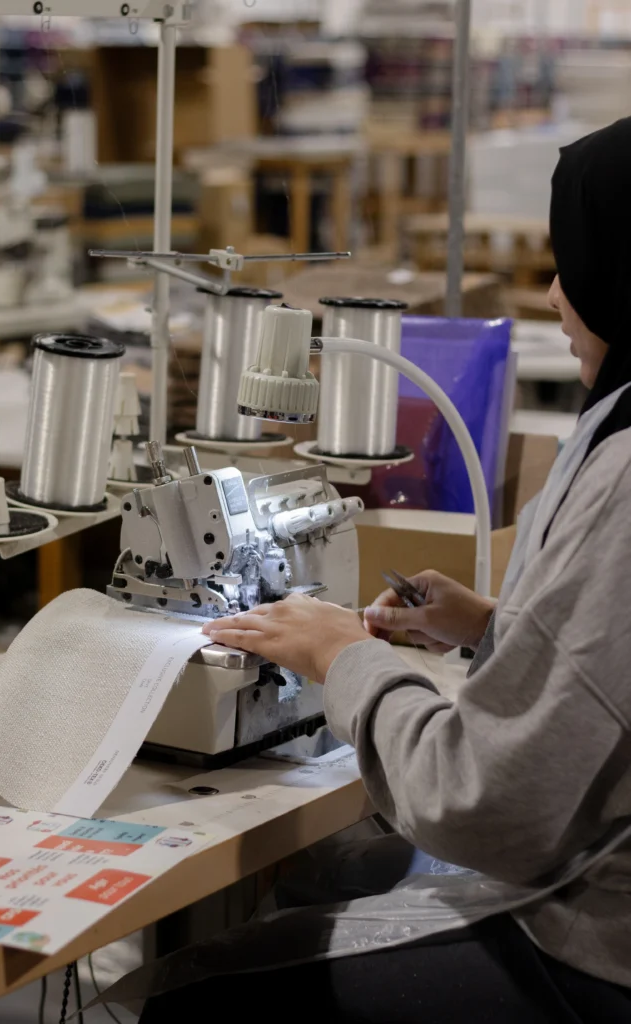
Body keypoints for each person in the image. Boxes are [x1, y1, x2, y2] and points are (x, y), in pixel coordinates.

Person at [139, 117, 631, 1022]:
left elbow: (476, 802)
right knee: (325, 874)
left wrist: (342, 657)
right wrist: (491, 628)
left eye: (576, 261)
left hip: (596, 955)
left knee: (193, 997)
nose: (554, 292)